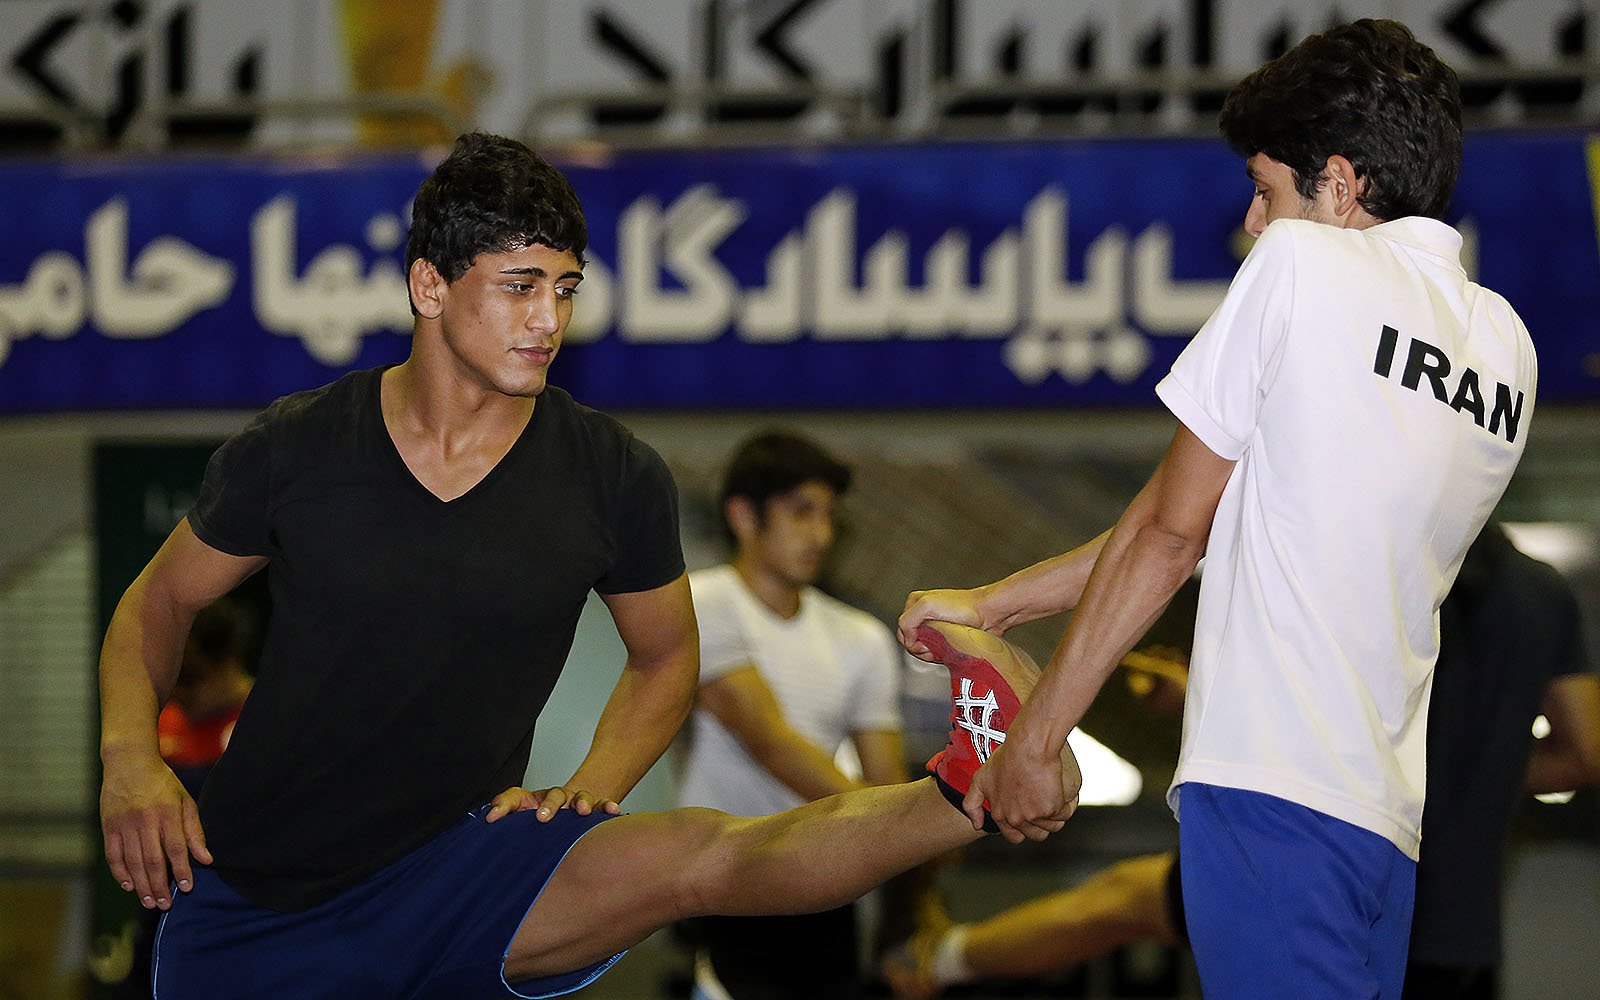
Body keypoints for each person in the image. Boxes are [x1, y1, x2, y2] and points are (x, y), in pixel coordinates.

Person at [96, 131, 1078, 1000]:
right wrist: (131, 759)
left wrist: (591, 784)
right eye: (519, 286)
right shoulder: (298, 447)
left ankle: (971, 786)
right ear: (430, 286)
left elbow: (666, 656)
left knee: (696, 854)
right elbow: (157, 605)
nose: (548, 320)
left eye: (564, 289)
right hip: (258, 895)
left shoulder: (611, 474)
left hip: (462, 870)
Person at [899, 20, 1537, 999]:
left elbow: (1170, 530)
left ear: (1338, 185)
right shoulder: (1504, 345)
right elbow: (1206, 515)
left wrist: (1038, 736)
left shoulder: (1301, 265)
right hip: (1385, 823)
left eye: (1265, 190)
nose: (1252, 220)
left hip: (1266, 791)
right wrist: (994, 606)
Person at [887, 525, 1599, 999]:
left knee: (1118, 901)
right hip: (1463, 930)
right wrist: (1478, 771)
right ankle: (937, 959)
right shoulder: (1543, 594)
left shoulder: (1375, 569)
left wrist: (1191, 691)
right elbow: (1583, 754)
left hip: (1323, 865)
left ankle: (934, 960)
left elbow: (1170, 535)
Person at [677, 431, 912, 1000]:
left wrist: (908, 825)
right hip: (719, 879)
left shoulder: (862, 637)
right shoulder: (702, 600)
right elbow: (767, 739)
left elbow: (888, 778)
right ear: (743, 516)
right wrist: (904, 821)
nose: (821, 534)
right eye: (801, 512)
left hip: (822, 886)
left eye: (828, 515)